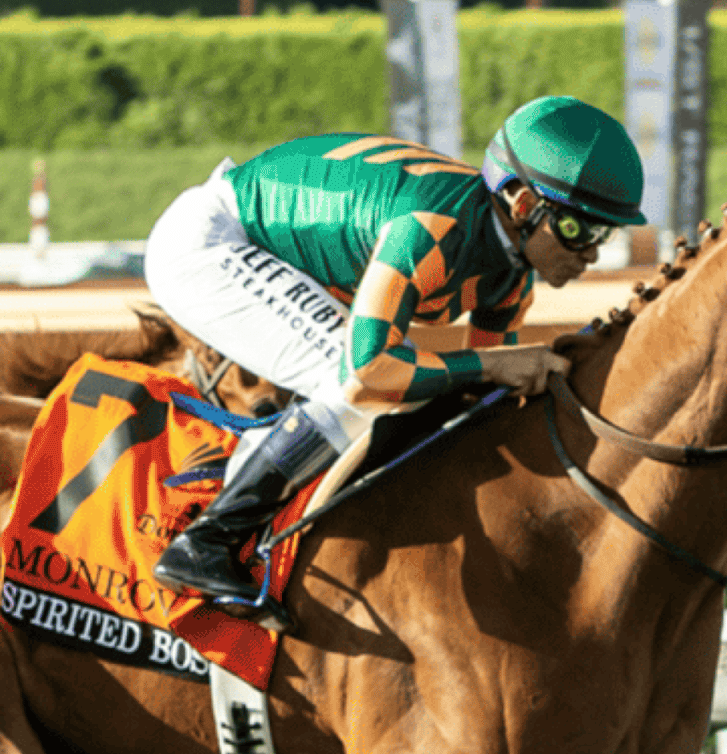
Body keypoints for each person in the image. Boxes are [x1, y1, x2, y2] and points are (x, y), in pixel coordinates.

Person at [141, 95, 644, 616]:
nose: (591, 252)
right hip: (210, 243)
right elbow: (368, 373)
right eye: (577, 229)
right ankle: (207, 543)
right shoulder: (431, 228)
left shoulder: (510, 281)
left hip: (274, 249)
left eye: (603, 232)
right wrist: (493, 365)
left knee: (413, 387)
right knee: (361, 384)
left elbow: (485, 400)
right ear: (520, 203)